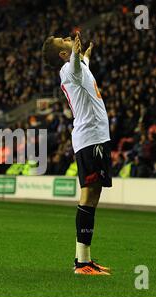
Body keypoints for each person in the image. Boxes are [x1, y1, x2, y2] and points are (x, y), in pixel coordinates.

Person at [42, 32, 111, 275]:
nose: (68, 38)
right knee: (89, 195)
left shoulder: (76, 68)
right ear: (63, 54)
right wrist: (76, 54)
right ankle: (82, 264)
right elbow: (74, 68)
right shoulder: (68, 69)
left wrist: (85, 57)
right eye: (64, 41)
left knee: (92, 195)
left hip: (94, 137)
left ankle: (84, 259)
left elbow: (80, 71)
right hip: (91, 138)